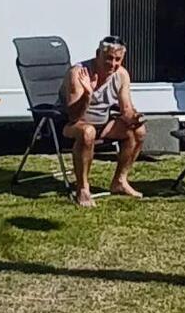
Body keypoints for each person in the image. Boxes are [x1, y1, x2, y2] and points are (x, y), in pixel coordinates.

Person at [61, 36, 146, 206]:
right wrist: (87, 95)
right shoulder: (79, 73)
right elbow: (73, 115)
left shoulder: (121, 74)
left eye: (117, 59)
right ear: (98, 54)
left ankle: (120, 181)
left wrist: (135, 118)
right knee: (88, 132)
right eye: (108, 58)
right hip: (72, 126)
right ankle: (83, 188)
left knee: (139, 131)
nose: (113, 64)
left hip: (103, 125)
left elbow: (126, 109)